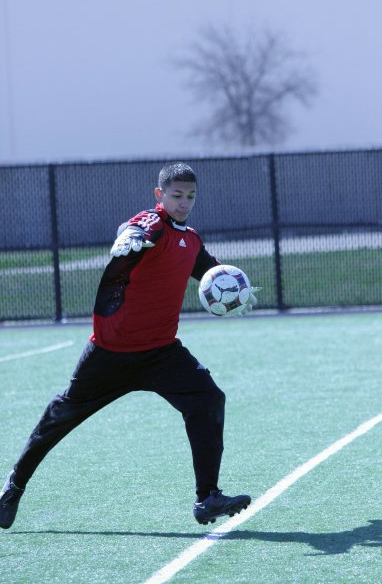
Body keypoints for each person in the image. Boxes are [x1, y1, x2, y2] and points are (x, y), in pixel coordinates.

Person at [0, 161, 259, 530]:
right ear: (160, 195)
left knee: (208, 400)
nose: (183, 203)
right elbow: (135, 228)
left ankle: (208, 498)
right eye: (176, 195)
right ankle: (11, 490)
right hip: (111, 354)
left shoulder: (191, 240)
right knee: (59, 418)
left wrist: (239, 287)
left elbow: (212, 274)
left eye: (190, 196)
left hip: (161, 352)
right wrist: (128, 233)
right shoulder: (150, 226)